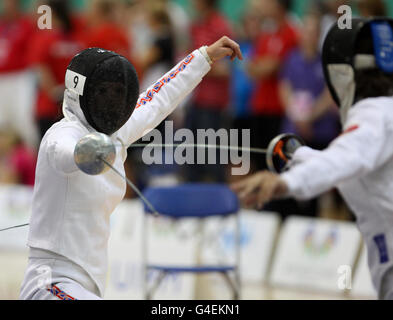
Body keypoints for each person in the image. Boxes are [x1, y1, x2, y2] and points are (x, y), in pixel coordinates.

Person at [19, 37, 242, 300]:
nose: (112, 100)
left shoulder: (117, 130)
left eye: (118, 91)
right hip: (50, 283)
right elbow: (62, 152)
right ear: (83, 94)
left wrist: (204, 57)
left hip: (88, 283)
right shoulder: (63, 134)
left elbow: (158, 98)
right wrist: (84, 153)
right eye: (103, 92)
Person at [231, 17, 393, 300]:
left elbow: (342, 162)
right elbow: (352, 164)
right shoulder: (383, 118)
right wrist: (295, 154)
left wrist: (285, 183)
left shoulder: (374, 116)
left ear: (342, 74)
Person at [185, 0, 233, 183]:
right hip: (195, 99)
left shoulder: (220, 26)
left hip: (213, 104)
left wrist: (198, 65)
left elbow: (226, 69)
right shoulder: (196, 25)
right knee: (190, 157)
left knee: (212, 159)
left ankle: (220, 203)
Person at [247, 0, 298, 171]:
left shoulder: (291, 32)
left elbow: (273, 66)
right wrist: (263, 66)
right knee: (260, 160)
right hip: (259, 106)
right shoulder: (267, 33)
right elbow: (251, 66)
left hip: (278, 109)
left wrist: (264, 66)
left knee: (279, 162)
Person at [29, 0, 86, 139]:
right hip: (54, 107)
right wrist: (57, 94)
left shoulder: (73, 36)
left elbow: (42, 70)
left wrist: (63, 95)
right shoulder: (47, 38)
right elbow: (41, 69)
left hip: (69, 106)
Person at [0, 0, 39, 149]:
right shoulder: (2, 26)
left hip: (20, 77)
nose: (7, 6)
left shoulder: (26, 25)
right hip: (2, 78)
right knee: (2, 121)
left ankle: (31, 154)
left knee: (23, 119)